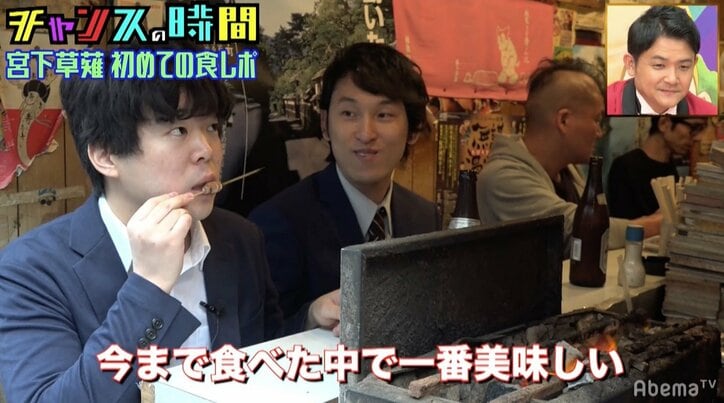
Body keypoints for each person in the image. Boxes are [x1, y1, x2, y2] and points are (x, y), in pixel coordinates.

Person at [0, 40, 322, 402]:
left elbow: (262, 353)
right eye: (178, 131)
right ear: (106, 155)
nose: (207, 151)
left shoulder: (240, 238)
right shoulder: (30, 270)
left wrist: (309, 322)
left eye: (213, 127)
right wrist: (148, 288)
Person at [249, 42, 440, 332]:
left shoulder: (425, 217)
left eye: (384, 115)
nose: (366, 133)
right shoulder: (277, 222)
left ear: (412, 130)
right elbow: (258, 335)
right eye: (349, 114)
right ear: (325, 124)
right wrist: (309, 318)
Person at [477, 58, 661, 255]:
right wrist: (654, 224)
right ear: (564, 120)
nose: (599, 132)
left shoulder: (567, 171)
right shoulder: (502, 177)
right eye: (596, 119)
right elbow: (578, 230)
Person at [607, 5, 717, 116]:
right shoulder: (604, 105)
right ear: (631, 64)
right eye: (659, 65)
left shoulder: (710, 113)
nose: (672, 79)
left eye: (683, 67)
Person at [608, 116, 707, 219]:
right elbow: (622, 224)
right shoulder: (625, 166)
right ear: (664, 123)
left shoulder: (669, 166)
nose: (698, 137)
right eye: (695, 127)